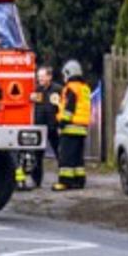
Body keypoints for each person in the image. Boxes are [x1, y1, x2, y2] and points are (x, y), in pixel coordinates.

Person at [51, 60, 91, 191]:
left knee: (66, 156)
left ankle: (65, 181)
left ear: (69, 73)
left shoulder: (71, 88)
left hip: (70, 128)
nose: (64, 78)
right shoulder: (84, 88)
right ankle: (79, 181)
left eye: (64, 75)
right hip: (81, 128)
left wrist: (62, 123)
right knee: (77, 157)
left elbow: (69, 109)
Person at [21, 66, 62, 191]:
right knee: (37, 155)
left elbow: (62, 107)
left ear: (49, 77)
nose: (40, 79)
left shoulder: (57, 89)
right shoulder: (36, 90)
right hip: (39, 127)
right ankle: (36, 181)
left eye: (42, 77)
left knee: (59, 153)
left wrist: (60, 124)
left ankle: (64, 178)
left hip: (53, 127)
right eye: (38, 77)